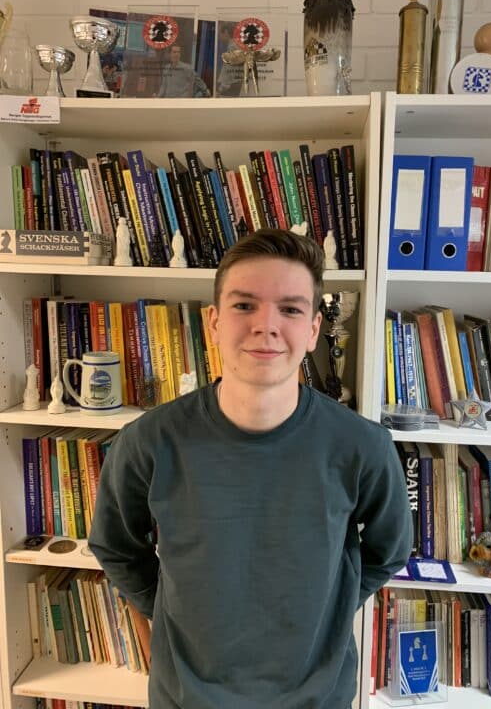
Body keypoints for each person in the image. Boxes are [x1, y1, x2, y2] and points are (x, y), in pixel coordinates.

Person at [88, 228, 413, 709]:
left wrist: (333, 602)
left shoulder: (363, 446)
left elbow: (389, 551)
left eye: (290, 309)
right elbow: (115, 545)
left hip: (317, 699)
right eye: (244, 305)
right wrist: (169, 607)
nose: (266, 325)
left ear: (314, 330)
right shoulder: (148, 441)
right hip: (186, 698)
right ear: (214, 322)